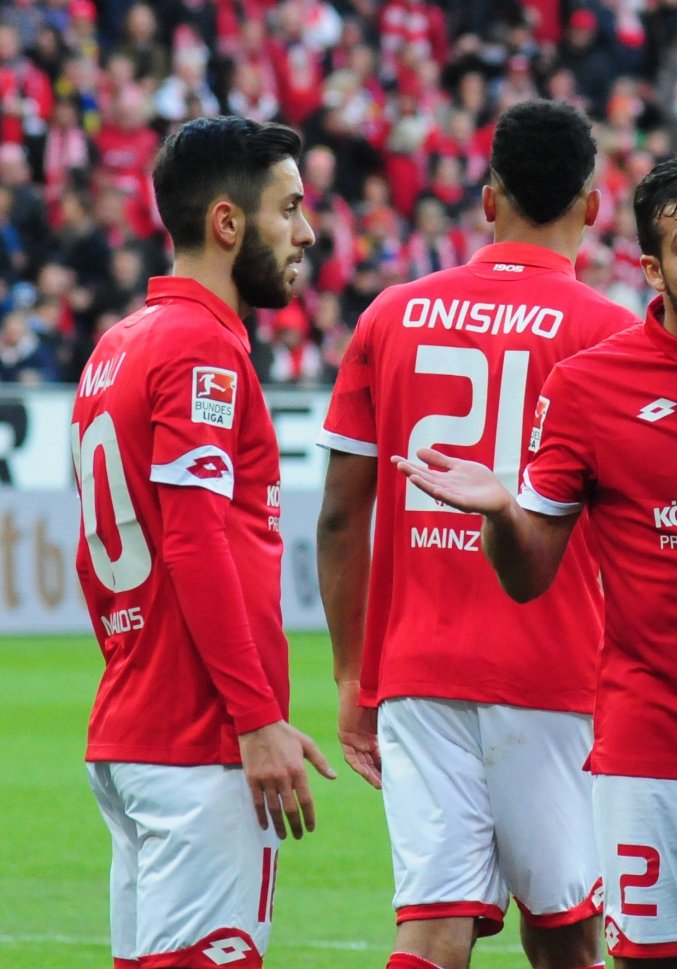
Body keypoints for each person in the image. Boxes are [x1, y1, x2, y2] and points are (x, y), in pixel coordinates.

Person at [394, 154, 677, 968]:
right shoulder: (589, 384)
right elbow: (529, 572)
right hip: (652, 740)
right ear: (651, 267)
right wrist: (505, 512)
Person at [313, 99, 633, 969]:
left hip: (418, 668)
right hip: (554, 667)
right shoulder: (612, 335)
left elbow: (342, 512)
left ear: (487, 201)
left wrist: (351, 673)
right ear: (593, 207)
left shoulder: (389, 315)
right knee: (566, 928)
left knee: (430, 923)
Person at [69, 115, 330, 969]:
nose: (307, 230)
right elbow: (192, 540)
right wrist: (256, 719)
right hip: (199, 742)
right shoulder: (201, 349)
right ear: (228, 223)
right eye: (289, 208)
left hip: (133, 727)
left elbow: (93, 553)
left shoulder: (116, 347)